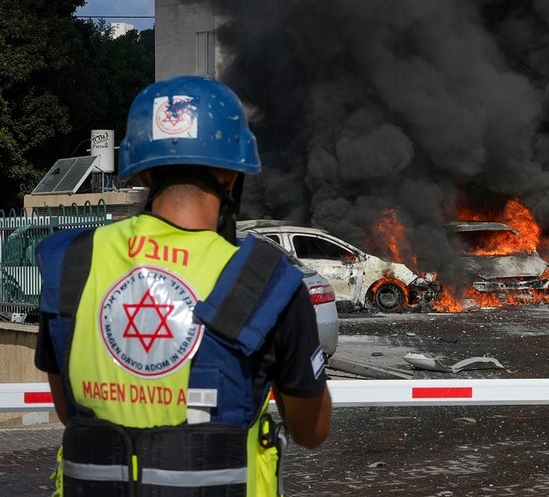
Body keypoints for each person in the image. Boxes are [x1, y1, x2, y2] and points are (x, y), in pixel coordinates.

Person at [34, 75, 331, 496]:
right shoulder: (265, 281)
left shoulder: (72, 263)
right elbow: (312, 431)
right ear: (232, 174)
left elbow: (71, 413)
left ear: (140, 174)